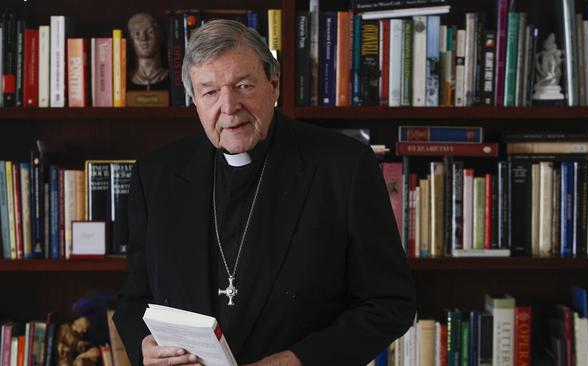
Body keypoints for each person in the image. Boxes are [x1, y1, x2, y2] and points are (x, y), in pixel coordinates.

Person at [113, 19, 416, 366]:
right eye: (210, 92)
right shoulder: (156, 176)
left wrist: (298, 360)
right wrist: (144, 345)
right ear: (194, 101)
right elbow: (134, 300)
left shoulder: (344, 166)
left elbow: (390, 302)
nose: (228, 107)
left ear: (273, 85)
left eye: (243, 85)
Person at [127, 13, 169, 88]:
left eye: (150, 32)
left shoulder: (171, 78)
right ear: (130, 40)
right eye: (137, 33)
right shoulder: (123, 80)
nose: (143, 38)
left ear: (160, 36)